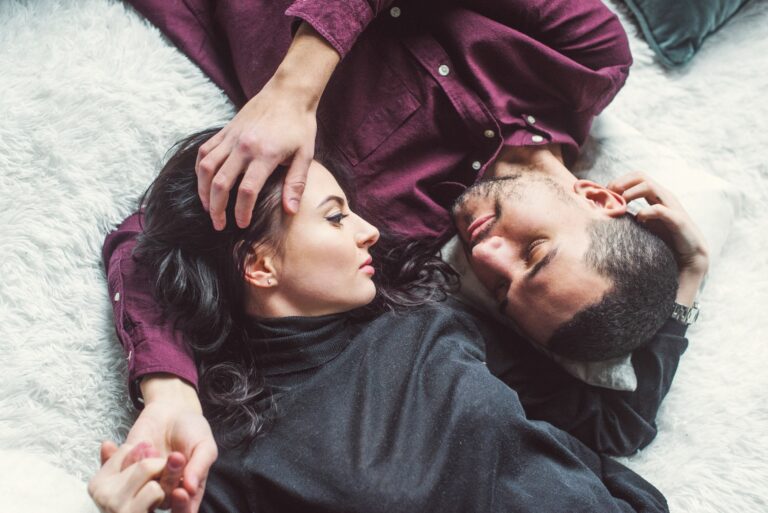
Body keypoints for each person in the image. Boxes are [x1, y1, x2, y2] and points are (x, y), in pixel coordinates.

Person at [100, 0, 708, 509]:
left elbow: (155, 241)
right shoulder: (584, 59)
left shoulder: (386, 244)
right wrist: (294, 91)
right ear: (598, 195)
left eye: (501, 292)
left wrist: (170, 393)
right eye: (536, 252)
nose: (488, 256)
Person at [90, 131, 672, 512]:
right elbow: (139, 239)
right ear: (261, 265)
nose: (369, 228)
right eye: (337, 216)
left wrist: (686, 277)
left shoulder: (427, 312)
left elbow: (616, 426)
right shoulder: (229, 450)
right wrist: (167, 399)